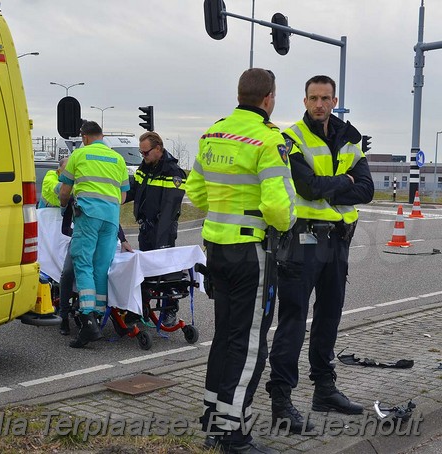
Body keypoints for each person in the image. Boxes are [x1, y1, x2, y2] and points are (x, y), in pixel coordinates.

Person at [185, 68, 296, 454]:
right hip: (252, 252)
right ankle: (233, 434)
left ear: (240, 94)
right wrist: (284, 221)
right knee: (249, 344)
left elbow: (195, 192)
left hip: (215, 248)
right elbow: (279, 207)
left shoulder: (213, 133)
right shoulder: (268, 140)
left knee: (225, 337)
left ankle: (214, 417)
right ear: (269, 98)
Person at [266, 75, 374, 433]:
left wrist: (334, 188)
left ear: (334, 99)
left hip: (338, 241)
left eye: (325, 98)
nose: (319, 104)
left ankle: (324, 390)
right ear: (304, 100)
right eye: (313, 98)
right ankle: (281, 401)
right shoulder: (291, 137)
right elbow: (307, 188)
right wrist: (344, 182)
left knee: (329, 317)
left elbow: (369, 190)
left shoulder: (350, 137)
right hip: (302, 242)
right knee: (293, 321)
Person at [58, 121, 130, 348]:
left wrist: (64, 205)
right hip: (111, 218)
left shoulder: (80, 154)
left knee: (82, 262)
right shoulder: (117, 159)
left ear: (85, 137)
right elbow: (123, 196)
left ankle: (87, 318)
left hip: (88, 214)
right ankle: (98, 317)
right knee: (101, 267)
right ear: (102, 136)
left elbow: (64, 190)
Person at [125, 131, 186, 326]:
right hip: (146, 229)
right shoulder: (145, 167)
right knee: (144, 270)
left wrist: (160, 241)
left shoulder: (173, 172)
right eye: (141, 153)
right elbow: (134, 189)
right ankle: (141, 307)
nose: (143, 156)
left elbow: (169, 209)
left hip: (164, 230)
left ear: (158, 149)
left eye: (145, 153)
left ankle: (169, 310)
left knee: (165, 272)